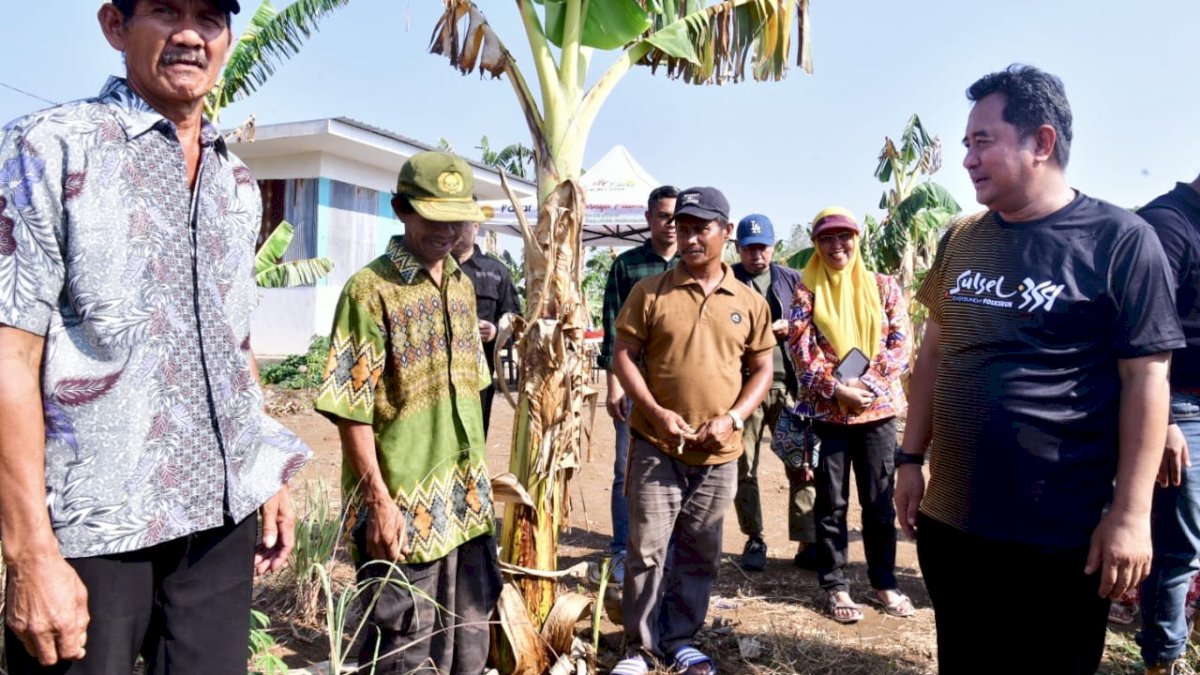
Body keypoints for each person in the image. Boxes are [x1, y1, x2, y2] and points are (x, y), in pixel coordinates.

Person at [0, 1, 312, 672]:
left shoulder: (236, 180)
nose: (191, 36)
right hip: (92, 527)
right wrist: (29, 553)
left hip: (217, 526)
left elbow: (234, 340)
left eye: (210, 17)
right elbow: (9, 356)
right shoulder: (50, 147)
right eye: (166, 10)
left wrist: (266, 471)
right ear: (116, 25)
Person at [894, 65, 1184, 674]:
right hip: (956, 522)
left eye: (983, 142)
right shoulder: (962, 239)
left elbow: (1146, 379)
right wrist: (909, 460)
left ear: (1042, 143)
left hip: (1058, 534)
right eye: (967, 144)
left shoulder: (1121, 241)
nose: (968, 160)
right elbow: (933, 353)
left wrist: (1130, 516)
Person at [314, 151, 501, 675]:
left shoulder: (462, 288)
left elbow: (470, 396)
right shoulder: (369, 292)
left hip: (464, 507)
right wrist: (378, 503)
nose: (448, 231)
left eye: (457, 219)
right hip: (402, 508)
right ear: (400, 208)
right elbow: (351, 411)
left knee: (467, 643)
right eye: (434, 218)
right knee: (402, 647)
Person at [610, 186, 774, 675]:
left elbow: (762, 368)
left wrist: (734, 417)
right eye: (682, 227)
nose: (690, 237)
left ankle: (680, 638)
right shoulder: (650, 292)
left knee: (700, 549)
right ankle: (639, 649)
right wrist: (656, 412)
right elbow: (623, 355)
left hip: (719, 449)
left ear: (725, 231)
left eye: (701, 228)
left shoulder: (748, 301)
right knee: (646, 549)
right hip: (657, 444)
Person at [786, 207, 912, 623]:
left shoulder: (883, 287)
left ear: (857, 240)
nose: (836, 246)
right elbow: (801, 350)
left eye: (844, 237)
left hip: (876, 415)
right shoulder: (807, 291)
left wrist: (866, 387)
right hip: (829, 414)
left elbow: (899, 345)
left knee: (878, 503)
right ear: (816, 245)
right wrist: (836, 388)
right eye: (826, 239)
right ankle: (836, 585)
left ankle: (884, 582)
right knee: (831, 503)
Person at [594, 185, 678, 584]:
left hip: (678, 385)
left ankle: (669, 552)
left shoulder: (692, 264)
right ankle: (620, 550)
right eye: (664, 216)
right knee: (625, 469)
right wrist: (613, 386)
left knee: (678, 467)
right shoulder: (627, 265)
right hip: (633, 380)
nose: (672, 224)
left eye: (677, 217)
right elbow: (613, 329)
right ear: (648, 218)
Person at [1136, 174, 1200, 675]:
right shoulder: (1167, 223)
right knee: (1179, 547)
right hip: (1181, 407)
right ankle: (1164, 661)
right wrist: (1168, 420)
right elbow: (1139, 331)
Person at [729, 213, 817, 572]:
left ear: (774, 247)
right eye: (749, 249)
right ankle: (754, 538)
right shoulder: (728, 282)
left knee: (801, 466)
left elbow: (815, 321)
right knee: (743, 468)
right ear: (738, 249)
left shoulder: (792, 280)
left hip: (788, 390)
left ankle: (807, 540)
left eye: (763, 247)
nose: (756, 255)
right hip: (744, 390)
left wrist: (791, 326)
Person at [452, 220, 521, 438]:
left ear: (475, 225)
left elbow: (514, 319)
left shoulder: (495, 270)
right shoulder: (433, 267)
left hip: (478, 374)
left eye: (461, 224)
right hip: (436, 374)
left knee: (475, 434)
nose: (454, 229)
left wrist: (495, 332)